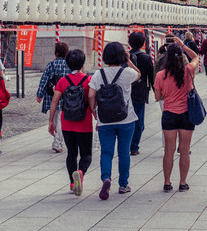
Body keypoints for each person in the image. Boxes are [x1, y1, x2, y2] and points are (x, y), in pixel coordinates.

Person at [88, 42, 140, 199]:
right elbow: (139, 74)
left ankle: (106, 178)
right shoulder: (127, 72)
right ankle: (123, 184)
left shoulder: (98, 74)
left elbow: (91, 95)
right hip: (126, 118)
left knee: (106, 152)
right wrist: (128, 60)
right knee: (124, 152)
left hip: (105, 119)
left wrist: (94, 112)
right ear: (121, 56)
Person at [152, 35, 199, 192]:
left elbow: (158, 97)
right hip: (187, 114)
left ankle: (166, 182)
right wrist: (184, 46)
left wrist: (167, 92)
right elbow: (196, 57)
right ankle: (183, 182)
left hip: (169, 114)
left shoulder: (160, 75)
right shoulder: (188, 70)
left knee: (169, 150)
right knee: (184, 150)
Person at [48, 49, 92, 196]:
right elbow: (92, 101)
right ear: (83, 63)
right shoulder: (88, 80)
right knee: (86, 154)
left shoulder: (62, 81)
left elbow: (55, 101)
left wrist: (51, 121)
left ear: (67, 64)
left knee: (71, 153)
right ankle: (81, 172)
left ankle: (72, 183)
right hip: (84, 122)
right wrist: (96, 116)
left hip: (67, 122)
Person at [37, 42, 70, 153]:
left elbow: (44, 80)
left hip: (52, 97)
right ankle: (57, 142)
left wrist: (39, 94)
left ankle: (58, 141)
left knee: (57, 118)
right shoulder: (69, 64)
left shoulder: (50, 65)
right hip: (66, 96)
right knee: (61, 119)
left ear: (55, 53)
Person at [127, 32, 155, 156]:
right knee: (139, 119)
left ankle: (127, 143)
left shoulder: (125, 57)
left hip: (126, 90)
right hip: (141, 90)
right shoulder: (146, 58)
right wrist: (156, 91)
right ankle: (134, 146)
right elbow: (151, 76)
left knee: (127, 118)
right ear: (143, 43)